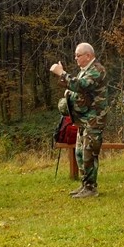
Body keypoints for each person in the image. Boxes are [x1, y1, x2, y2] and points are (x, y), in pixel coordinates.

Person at [49, 42, 108, 199]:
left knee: (89, 153)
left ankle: (91, 188)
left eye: (78, 55)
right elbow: (76, 87)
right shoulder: (84, 71)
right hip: (83, 120)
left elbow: (81, 86)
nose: (75, 58)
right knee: (80, 153)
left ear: (88, 55)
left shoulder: (97, 70)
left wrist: (62, 73)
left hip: (94, 119)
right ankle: (84, 185)